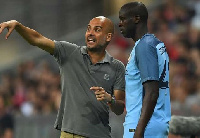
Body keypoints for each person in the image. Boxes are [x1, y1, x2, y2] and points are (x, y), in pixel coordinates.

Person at [0, 16, 125, 138]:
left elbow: (119, 108)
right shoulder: (70, 52)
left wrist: (110, 99)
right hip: (68, 134)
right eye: (88, 29)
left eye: (97, 30)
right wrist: (18, 26)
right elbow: (37, 39)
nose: (90, 33)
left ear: (108, 37)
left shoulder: (117, 67)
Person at [118, 2, 171, 138]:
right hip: (156, 122)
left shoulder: (144, 46)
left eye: (123, 19)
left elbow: (152, 91)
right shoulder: (155, 44)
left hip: (142, 126)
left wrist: (139, 130)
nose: (120, 24)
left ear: (136, 19)